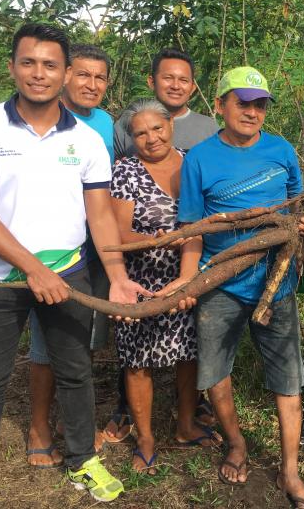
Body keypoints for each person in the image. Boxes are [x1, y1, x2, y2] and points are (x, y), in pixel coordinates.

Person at [0, 24, 149, 508]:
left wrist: (118, 278)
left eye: (50, 65)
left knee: (76, 371)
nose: (39, 73)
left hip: (69, 272)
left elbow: (100, 216)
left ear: (65, 73)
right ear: (12, 67)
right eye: (29, 62)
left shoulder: (87, 139)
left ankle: (83, 459)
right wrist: (32, 269)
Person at [167, 67, 304, 508]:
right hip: (221, 281)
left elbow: (296, 206)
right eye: (243, 103)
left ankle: (290, 470)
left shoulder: (281, 149)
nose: (252, 112)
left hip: (277, 281)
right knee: (216, 371)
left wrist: (301, 226)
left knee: (287, 376)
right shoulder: (199, 158)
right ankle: (236, 444)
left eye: (260, 105)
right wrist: (189, 279)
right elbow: (193, 228)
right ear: (220, 106)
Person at [110, 98, 222, 474]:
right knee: (137, 359)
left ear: (170, 126)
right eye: (140, 133)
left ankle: (186, 424)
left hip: (187, 274)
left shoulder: (193, 161)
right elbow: (118, 233)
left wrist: (185, 276)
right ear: (132, 138)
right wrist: (154, 240)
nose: (151, 138)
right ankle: (145, 438)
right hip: (138, 279)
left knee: (188, 353)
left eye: (157, 128)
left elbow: (202, 221)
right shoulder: (126, 170)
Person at [26, 43, 116, 467]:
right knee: (45, 344)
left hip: (95, 248)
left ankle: (72, 420)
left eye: (99, 77)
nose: (91, 84)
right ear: (64, 76)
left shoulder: (106, 123)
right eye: (83, 74)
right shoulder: (41, 121)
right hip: (52, 251)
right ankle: (38, 427)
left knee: (82, 338)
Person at [113, 48, 218, 158]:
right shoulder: (127, 125)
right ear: (152, 82)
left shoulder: (210, 130)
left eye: (183, 80)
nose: (175, 86)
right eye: (168, 78)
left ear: (192, 88)